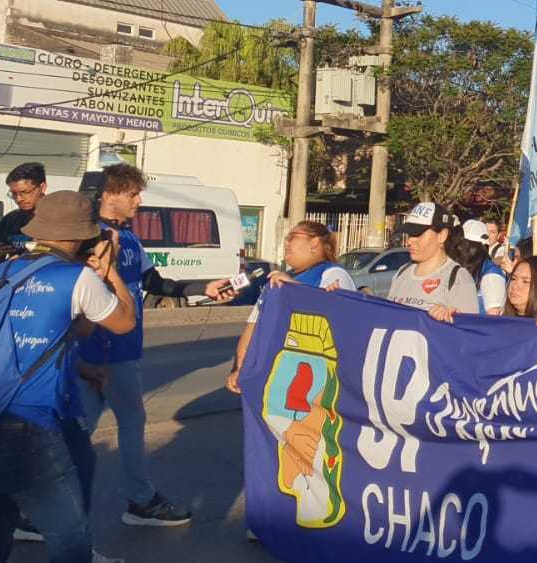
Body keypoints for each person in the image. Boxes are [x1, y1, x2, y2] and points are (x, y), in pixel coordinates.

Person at [0, 190, 138, 563]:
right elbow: (123, 322)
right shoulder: (75, 278)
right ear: (80, 235)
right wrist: (110, 273)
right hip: (31, 424)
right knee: (69, 535)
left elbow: (74, 330)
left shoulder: (2, 271)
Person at [73, 163, 193, 528]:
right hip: (108, 350)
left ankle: (40, 508)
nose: (139, 201)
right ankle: (140, 501)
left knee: (77, 430)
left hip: (118, 349)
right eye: (132, 194)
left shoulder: (130, 238)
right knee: (128, 422)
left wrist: (202, 289)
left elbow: (153, 281)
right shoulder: (93, 237)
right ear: (109, 194)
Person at [211, 221, 355, 395]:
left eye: (292, 238)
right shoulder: (278, 279)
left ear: (314, 243)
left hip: (317, 382)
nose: (286, 243)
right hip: (280, 378)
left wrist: (294, 287)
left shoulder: (332, 275)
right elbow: (254, 326)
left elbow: (340, 320)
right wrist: (240, 368)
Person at [385, 202, 480, 322]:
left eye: (418, 234)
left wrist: (450, 319)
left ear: (442, 235)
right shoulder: (401, 273)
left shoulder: (458, 279)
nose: (410, 241)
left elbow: (469, 332)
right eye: (410, 234)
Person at [0, 162, 45, 257]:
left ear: (42, 187)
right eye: (14, 194)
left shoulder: (58, 219)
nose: (19, 199)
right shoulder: (9, 220)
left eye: (25, 192)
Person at [459, 220, 507, 315]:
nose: (458, 249)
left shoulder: (491, 273)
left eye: (462, 245)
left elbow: (493, 317)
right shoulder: (461, 269)